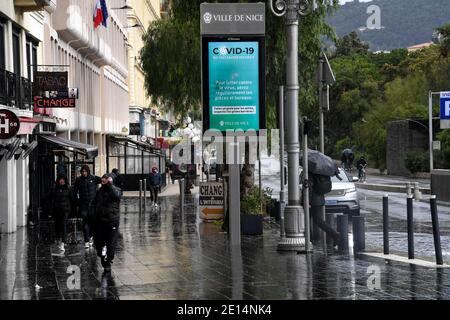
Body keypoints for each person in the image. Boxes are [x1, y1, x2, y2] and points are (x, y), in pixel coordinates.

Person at [94, 174, 122, 273]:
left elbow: (117, 196)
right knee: (100, 241)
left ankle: (109, 261)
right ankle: (102, 256)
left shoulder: (116, 189)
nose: (104, 181)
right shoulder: (99, 191)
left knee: (111, 242)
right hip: (101, 220)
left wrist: (109, 185)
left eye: (106, 179)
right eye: (103, 179)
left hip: (112, 220)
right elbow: (95, 203)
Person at [73, 165, 102, 249]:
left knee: (92, 223)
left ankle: (91, 237)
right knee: (85, 223)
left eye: (85, 171)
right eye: (83, 172)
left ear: (88, 171)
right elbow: (75, 191)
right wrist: (78, 201)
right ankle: (86, 240)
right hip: (84, 205)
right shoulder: (78, 180)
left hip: (92, 205)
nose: (84, 173)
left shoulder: (93, 178)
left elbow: (103, 180)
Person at [49, 174, 72, 252]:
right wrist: (50, 210)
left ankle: (63, 242)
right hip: (57, 210)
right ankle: (58, 239)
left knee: (63, 224)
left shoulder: (68, 188)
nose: (62, 181)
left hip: (65, 210)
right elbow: (51, 199)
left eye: (63, 179)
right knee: (57, 226)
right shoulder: (54, 188)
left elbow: (72, 199)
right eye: (60, 179)